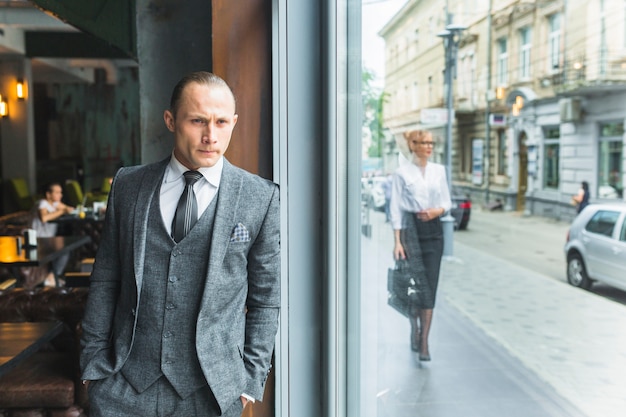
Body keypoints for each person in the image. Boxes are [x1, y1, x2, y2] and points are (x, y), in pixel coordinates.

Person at [79, 71, 281, 417]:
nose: (210, 136)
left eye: (221, 122)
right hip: (123, 388)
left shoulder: (259, 198)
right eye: (197, 121)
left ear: (233, 122)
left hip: (212, 392)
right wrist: (93, 364)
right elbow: (106, 280)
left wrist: (248, 381)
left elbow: (266, 299)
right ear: (171, 120)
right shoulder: (129, 185)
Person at [389, 130, 451, 361]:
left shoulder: (439, 171)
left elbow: (446, 201)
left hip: (434, 233)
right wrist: (397, 241)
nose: (428, 146)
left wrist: (438, 210)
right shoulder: (402, 173)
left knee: (430, 287)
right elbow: (396, 208)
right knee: (415, 286)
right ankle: (414, 326)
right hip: (410, 232)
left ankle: (424, 340)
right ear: (413, 145)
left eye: (431, 142)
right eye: (424, 142)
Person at [24, 182, 74, 287]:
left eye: (61, 192)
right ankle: (51, 278)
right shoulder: (42, 203)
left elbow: (69, 209)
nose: (60, 195)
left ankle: (52, 277)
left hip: (48, 239)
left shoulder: (55, 204)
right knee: (64, 251)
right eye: (57, 192)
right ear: (48, 194)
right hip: (37, 239)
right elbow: (44, 218)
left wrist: (64, 208)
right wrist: (61, 211)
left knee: (65, 249)